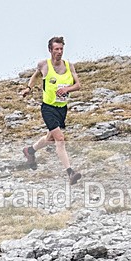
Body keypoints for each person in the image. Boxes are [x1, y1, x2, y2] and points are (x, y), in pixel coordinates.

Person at [20, 36, 83, 184]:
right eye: (56, 49)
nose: (59, 52)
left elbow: (78, 85)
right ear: (50, 50)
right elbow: (35, 76)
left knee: (50, 139)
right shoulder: (44, 65)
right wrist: (28, 89)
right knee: (59, 139)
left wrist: (67, 88)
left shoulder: (69, 66)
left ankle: (30, 151)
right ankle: (70, 173)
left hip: (62, 109)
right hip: (48, 108)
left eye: (61, 49)